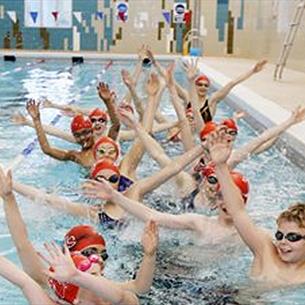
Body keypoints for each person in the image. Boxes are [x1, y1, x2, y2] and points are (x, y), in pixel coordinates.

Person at [0, 166, 159, 304]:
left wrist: (149, 255)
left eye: (103, 255)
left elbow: (135, 290)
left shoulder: (111, 289)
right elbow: (22, 245)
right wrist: (8, 198)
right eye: (90, 253)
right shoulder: (48, 281)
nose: (99, 260)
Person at [205, 125, 305, 286]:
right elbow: (238, 212)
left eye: (292, 237)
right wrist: (221, 166)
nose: (283, 242)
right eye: (279, 235)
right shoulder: (265, 250)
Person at [26, 100, 96, 168]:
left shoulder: (104, 144)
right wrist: (36, 120)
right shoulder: (76, 156)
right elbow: (47, 150)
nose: (82, 138)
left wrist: (107, 101)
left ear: (92, 131)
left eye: (85, 133)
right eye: (77, 135)